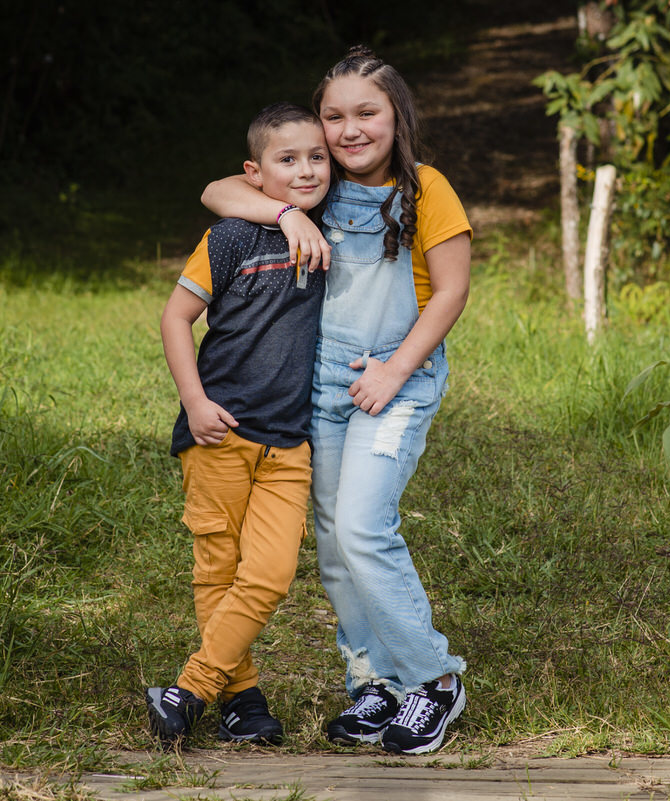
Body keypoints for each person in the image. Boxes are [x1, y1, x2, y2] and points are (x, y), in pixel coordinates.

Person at [201, 45, 471, 755]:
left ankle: (432, 681)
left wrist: (392, 372)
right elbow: (216, 192)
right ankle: (373, 684)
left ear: (398, 116)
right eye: (334, 117)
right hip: (320, 391)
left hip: (396, 382)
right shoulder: (310, 192)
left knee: (362, 527)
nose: (350, 129)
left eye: (367, 113)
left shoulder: (426, 190)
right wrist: (285, 216)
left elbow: (451, 292)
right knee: (331, 540)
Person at [147, 102, 331, 748]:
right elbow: (176, 318)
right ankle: (243, 700)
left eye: (317, 156)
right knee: (218, 568)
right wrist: (194, 401)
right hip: (218, 430)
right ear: (256, 172)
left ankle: (189, 689)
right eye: (288, 160)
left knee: (271, 571)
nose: (306, 170)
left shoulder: (330, 225)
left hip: (289, 440)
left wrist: (295, 209)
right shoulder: (232, 237)